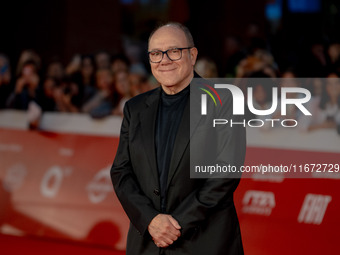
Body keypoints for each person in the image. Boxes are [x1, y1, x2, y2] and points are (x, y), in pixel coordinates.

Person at [110, 22, 246, 255]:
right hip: (148, 242)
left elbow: (225, 172)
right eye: (155, 53)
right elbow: (121, 172)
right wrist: (150, 220)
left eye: (173, 51)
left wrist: (175, 225)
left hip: (204, 241)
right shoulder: (135, 108)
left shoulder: (224, 101)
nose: (164, 60)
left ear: (192, 55)